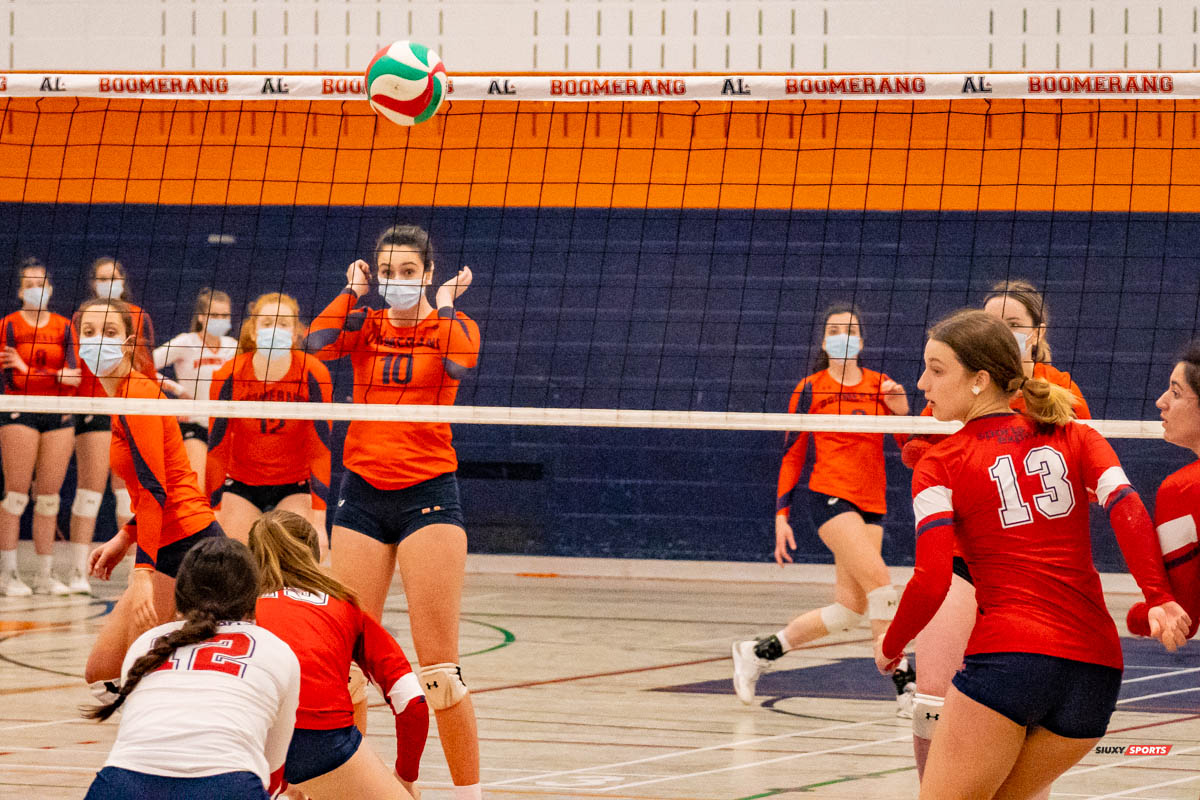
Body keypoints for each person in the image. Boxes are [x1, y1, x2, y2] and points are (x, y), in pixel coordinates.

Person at [874, 309, 1189, 800]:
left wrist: (892, 645)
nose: (922, 382)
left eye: (936, 369)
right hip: (1096, 675)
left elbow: (932, 579)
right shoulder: (1075, 434)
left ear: (980, 380)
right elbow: (1126, 505)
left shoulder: (940, 462)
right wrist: (1159, 596)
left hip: (1009, 663)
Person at [304, 223, 481, 800]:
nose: (397, 283)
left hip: (429, 491)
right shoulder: (365, 324)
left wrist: (447, 304)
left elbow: (460, 363)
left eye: (409, 272)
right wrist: (352, 292)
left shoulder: (451, 324)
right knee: (346, 664)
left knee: (440, 674)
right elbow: (316, 342)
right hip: (362, 493)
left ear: (429, 273)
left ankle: (466, 795)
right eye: (388, 273)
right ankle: (351, 789)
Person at [903, 279, 1092, 779]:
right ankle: (935, 788)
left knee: (1026, 713)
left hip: (1031, 572)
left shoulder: (1061, 393)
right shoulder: (958, 382)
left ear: (1037, 333)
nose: (1002, 332)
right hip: (965, 559)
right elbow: (923, 450)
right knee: (931, 697)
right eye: (992, 324)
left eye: (1013, 324)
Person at [732, 303, 914, 714]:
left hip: (872, 503)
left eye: (850, 330)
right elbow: (793, 453)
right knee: (882, 587)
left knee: (850, 610)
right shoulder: (810, 388)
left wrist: (904, 414)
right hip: (829, 497)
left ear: (861, 342)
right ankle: (905, 684)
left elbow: (908, 448)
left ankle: (757, 652)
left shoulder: (881, 385)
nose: (842, 336)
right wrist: (781, 515)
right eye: (835, 329)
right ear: (825, 340)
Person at [83, 537, 300, 800]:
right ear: (252, 599)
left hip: (121, 785)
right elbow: (274, 768)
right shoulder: (275, 649)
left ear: (180, 598)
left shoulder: (146, 645)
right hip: (227, 787)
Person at [78, 297, 224, 687]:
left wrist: (141, 572)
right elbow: (149, 489)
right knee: (101, 672)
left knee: (138, 677)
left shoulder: (136, 395)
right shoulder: (122, 394)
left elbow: (157, 491)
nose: (96, 341)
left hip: (188, 543)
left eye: (108, 333)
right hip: (166, 538)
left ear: (128, 343)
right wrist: (124, 537)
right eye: (88, 333)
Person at [249, 509, 427, 799]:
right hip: (320, 742)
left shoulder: (236, 609)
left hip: (246, 740)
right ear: (315, 553)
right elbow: (412, 701)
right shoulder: (344, 606)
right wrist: (405, 778)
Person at [206, 293, 331, 548]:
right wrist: (214, 509)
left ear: (296, 332)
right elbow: (217, 447)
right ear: (253, 331)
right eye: (267, 323)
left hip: (293, 485)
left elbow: (320, 449)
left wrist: (319, 519)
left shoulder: (313, 372)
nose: (275, 330)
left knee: (295, 558)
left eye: (283, 323)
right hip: (242, 484)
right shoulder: (228, 374)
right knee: (236, 560)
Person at [71, 257, 158, 595]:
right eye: (102, 278)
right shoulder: (82, 316)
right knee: (88, 494)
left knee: (130, 494)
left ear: (123, 281)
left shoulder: (138, 316)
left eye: (114, 277)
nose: (109, 283)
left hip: (130, 405)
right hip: (94, 408)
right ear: (93, 283)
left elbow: (146, 362)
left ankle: (136, 571)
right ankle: (79, 573)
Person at [0, 258, 82, 595]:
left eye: (42, 283)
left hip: (58, 413)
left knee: (49, 500)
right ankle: (8, 574)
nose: (38, 289)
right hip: (20, 410)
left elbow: (74, 377)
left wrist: (29, 368)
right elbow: (11, 378)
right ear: (20, 291)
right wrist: (50, 376)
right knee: (15, 497)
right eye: (30, 284)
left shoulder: (64, 326)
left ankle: (45, 576)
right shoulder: (8, 325)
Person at [1126, 341, 1200, 640]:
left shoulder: (1183, 489)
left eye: (1176, 392)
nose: (1161, 401)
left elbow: (1182, 618)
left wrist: (1133, 618)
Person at [153, 288, 237, 487]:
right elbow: (144, 366)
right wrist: (177, 390)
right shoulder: (186, 342)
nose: (220, 320)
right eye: (214, 315)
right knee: (195, 487)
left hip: (225, 427)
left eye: (224, 315)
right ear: (201, 317)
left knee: (221, 493)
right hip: (193, 423)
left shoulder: (233, 346)